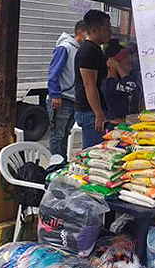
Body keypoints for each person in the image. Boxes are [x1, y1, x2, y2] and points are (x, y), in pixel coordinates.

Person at [46, 20, 86, 159]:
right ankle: (55, 164)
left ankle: (61, 162)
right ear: (80, 33)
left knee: (64, 134)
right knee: (58, 135)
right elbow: (53, 73)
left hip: (71, 98)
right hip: (61, 98)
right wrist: (55, 95)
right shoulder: (65, 47)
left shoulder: (78, 49)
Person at [74, 9, 112, 149]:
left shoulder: (95, 49)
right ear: (95, 30)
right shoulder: (87, 51)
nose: (110, 32)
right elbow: (89, 84)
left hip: (95, 111)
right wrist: (99, 114)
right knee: (93, 154)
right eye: (107, 28)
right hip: (90, 113)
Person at [100, 40, 140, 124]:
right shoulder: (108, 84)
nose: (130, 67)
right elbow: (131, 87)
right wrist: (117, 67)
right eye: (127, 63)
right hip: (116, 125)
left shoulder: (131, 77)